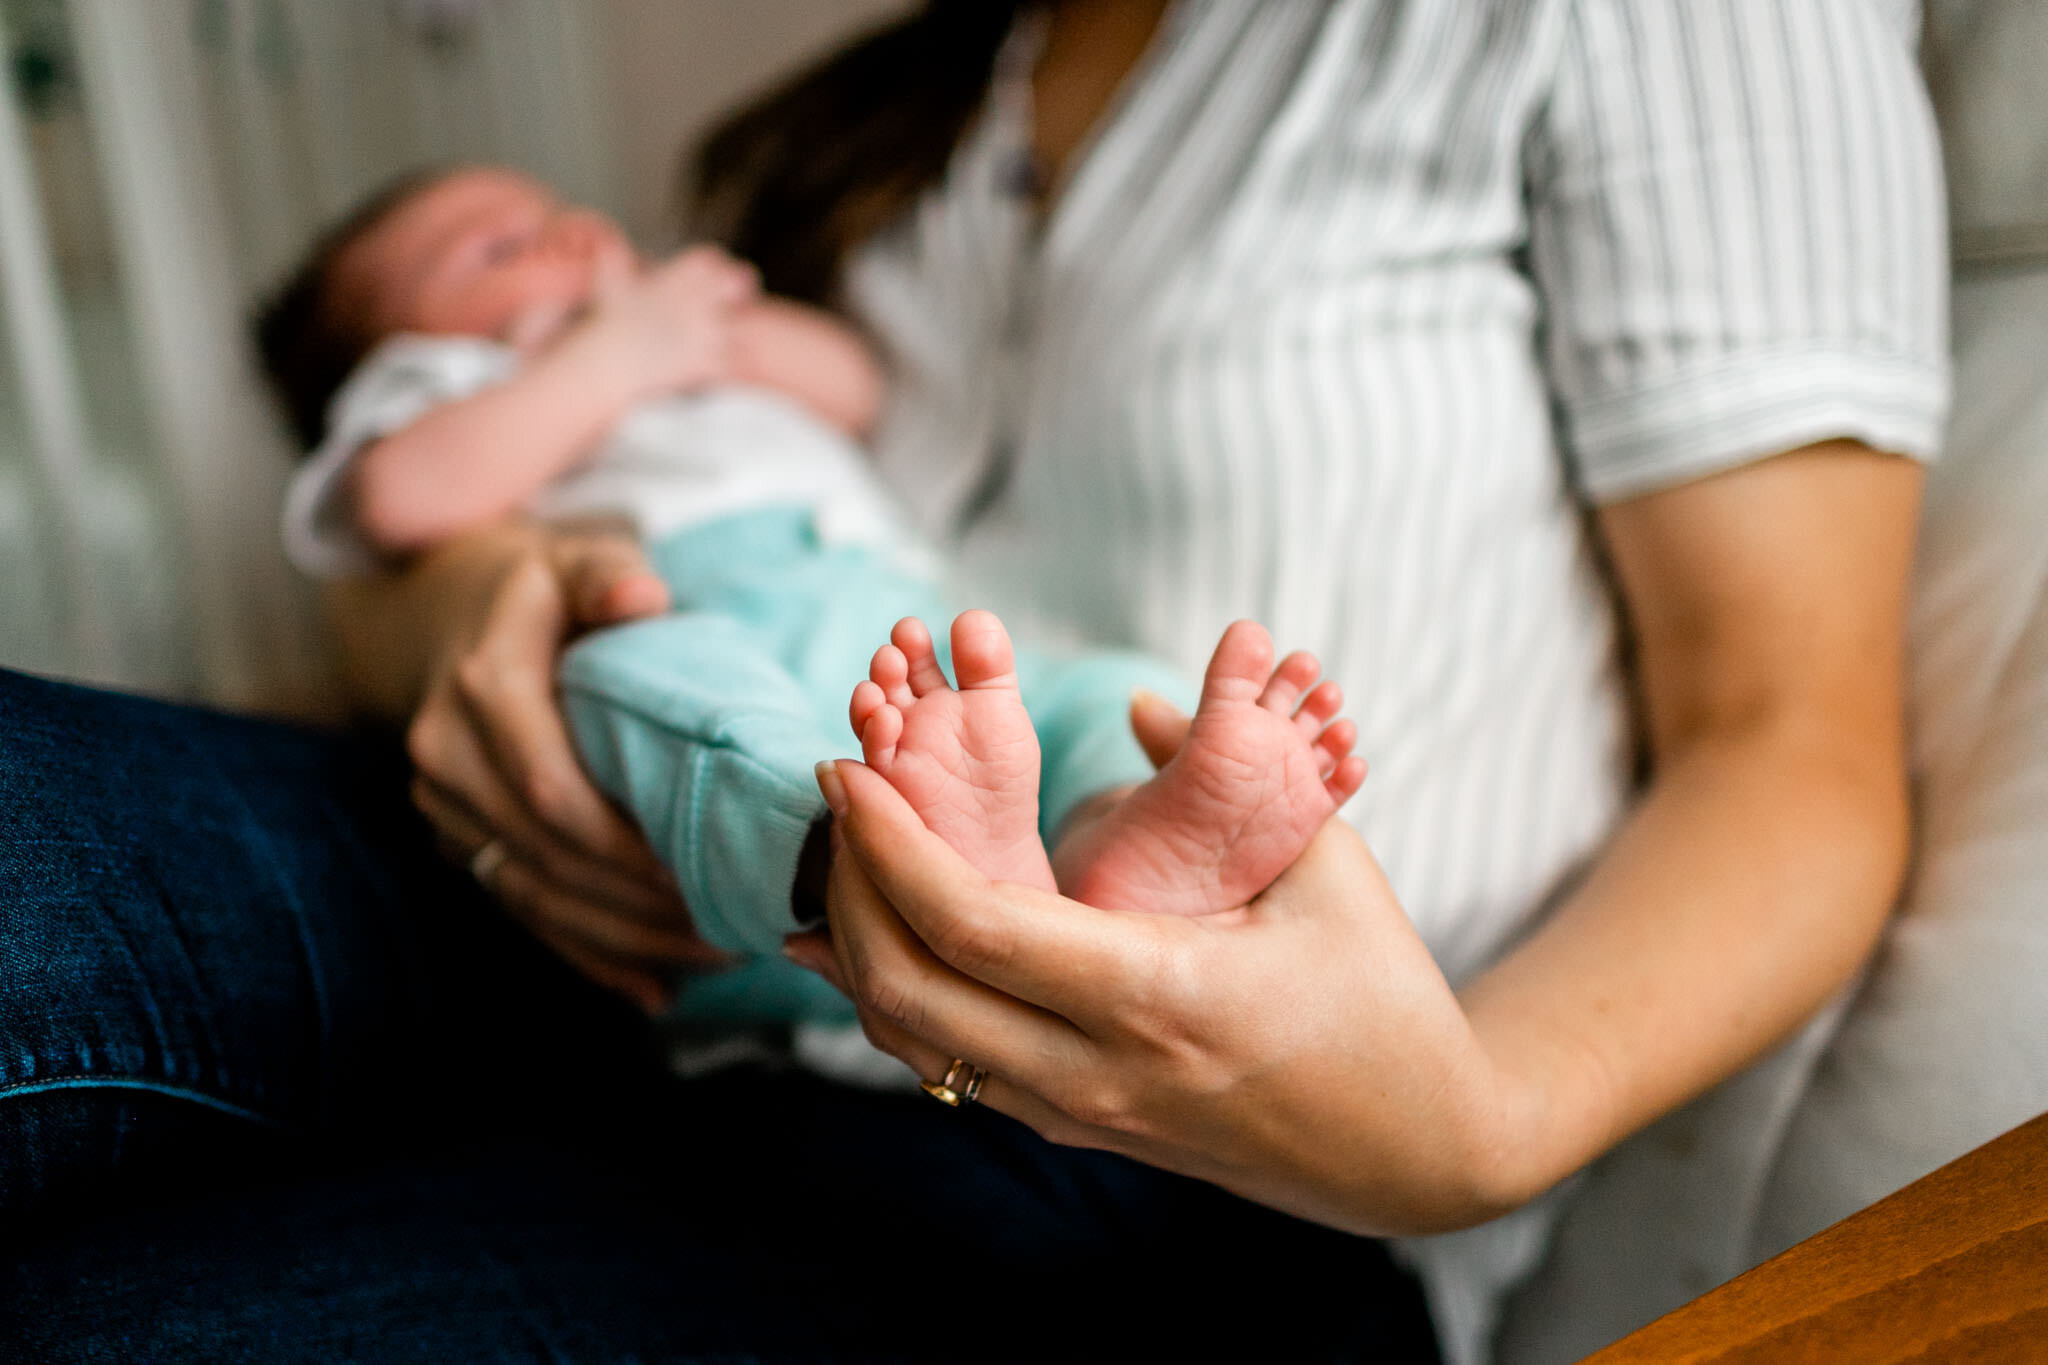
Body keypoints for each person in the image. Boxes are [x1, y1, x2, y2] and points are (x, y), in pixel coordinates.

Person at [0, 3, 1946, 1362]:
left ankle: (1055, 856)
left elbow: (1790, 735)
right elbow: (420, 509)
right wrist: (472, 614)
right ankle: (865, 860)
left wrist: (1467, 1123)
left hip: (1186, 1157)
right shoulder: (855, 133)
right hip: (614, 901)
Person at [258, 162, 1366, 1029]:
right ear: (393, 344)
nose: (559, 236)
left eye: (555, 213)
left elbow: (855, 386)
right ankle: (851, 866)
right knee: (646, 691)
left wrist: (695, 329)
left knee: (1096, 693)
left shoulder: (676, 333)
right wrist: (609, 360)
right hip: (680, 610)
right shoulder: (448, 382)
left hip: (903, 635)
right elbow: (401, 497)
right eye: (497, 248)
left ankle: (1107, 843)